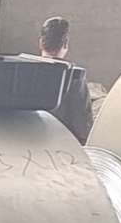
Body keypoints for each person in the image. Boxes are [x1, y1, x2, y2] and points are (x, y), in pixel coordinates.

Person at [38, 15, 93, 143]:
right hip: (61, 145)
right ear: (66, 43)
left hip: (28, 141)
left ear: (41, 42)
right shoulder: (75, 76)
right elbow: (82, 125)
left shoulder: (24, 70)